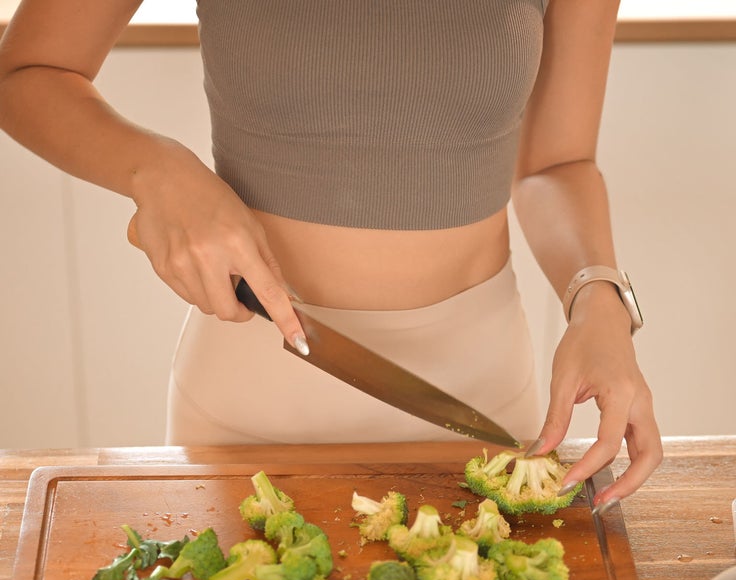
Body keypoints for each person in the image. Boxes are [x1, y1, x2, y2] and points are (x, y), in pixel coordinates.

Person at [0, 0, 662, 510]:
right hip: (247, 400)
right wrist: (154, 168)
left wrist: (598, 298)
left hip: (477, 396)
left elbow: (557, 163)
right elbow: (27, 72)